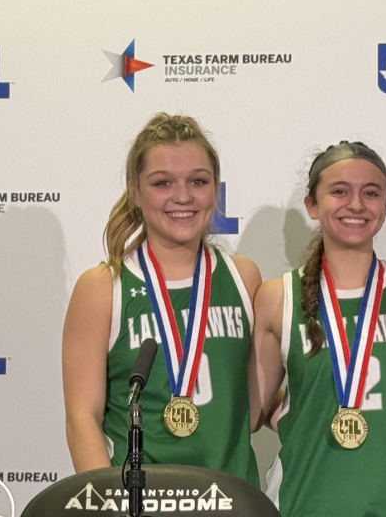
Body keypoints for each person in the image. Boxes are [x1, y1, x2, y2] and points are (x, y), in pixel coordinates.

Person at [62, 113, 261, 486]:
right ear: (135, 190)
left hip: (231, 502)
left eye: (198, 181)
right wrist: (116, 507)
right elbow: (81, 419)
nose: (182, 196)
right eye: (162, 182)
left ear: (214, 189)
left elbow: (253, 409)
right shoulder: (103, 288)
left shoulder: (244, 278)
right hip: (139, 504)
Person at [252, 142, 386, 517]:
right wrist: (297, 415)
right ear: (312, 204)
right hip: (302, 502)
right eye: (339, 191)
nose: (356, 204)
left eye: (371, 193)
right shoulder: (277, 296)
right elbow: (251, 407)